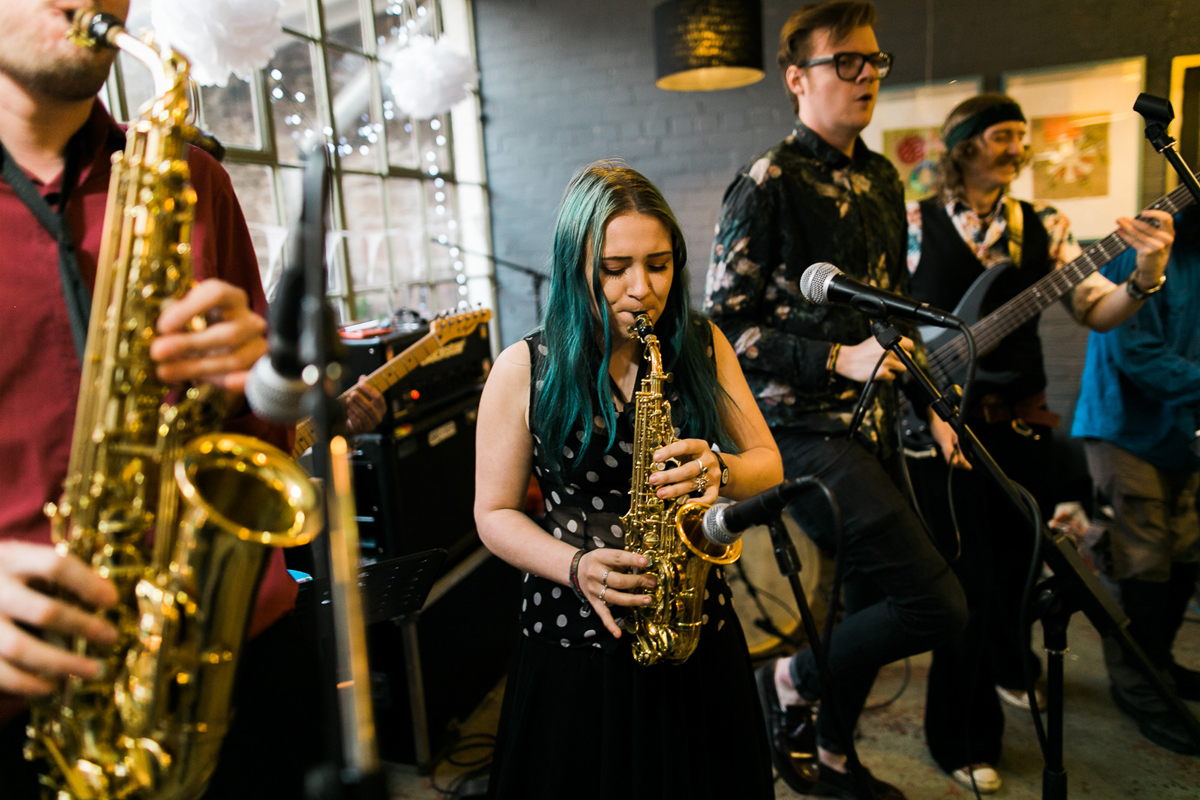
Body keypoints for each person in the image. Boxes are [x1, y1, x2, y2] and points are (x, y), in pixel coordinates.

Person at [0, 2, 381, 796]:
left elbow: (259, 435)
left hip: (237, 658)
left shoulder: (190, 175)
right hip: (30, 700)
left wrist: (258, 381)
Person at [705, 3, 968, 798]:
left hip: (879, 421)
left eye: (874, 63)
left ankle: (832, 758)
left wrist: (930, 405)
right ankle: (789, 676)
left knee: (865, 600)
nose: (866, 78)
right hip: (799, 431)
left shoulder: (886, 177)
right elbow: (722, 326)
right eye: (845, 63)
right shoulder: (765, 181)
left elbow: (890, 316)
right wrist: (834, 356)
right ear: (797, 78)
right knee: (936, 604)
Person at [474, 160, 782, 800]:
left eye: (660, 264)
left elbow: (769, 466)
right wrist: (577, 566)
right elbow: (494, 514)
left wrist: (719, 469)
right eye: (614, 269)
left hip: (692, 627)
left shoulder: (700, 342)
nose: (641, 288)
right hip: (573, 633)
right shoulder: (523, 366)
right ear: (574, 265)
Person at [903, 93, 1175, 791]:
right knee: (964, 585)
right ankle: (960, 740)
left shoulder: (1043, 224)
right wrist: (924, 402)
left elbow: (1098, 312)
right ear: (964, 146)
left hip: (1022, 424)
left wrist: (1144, 275)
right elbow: (888, 333)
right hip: (944, 432)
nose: (1017, 147)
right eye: (1002, 135)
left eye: (1022, 136)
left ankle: (1009, 665)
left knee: (1024, 567)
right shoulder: (913, 222)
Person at [1072, 204, 1200, 757]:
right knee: (1140, 562)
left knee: (1182, 557)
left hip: (1181, 428)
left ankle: (1160, 664)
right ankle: (1140, 690)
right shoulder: (1141, 246)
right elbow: (1135, 351)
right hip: (1123, 426)